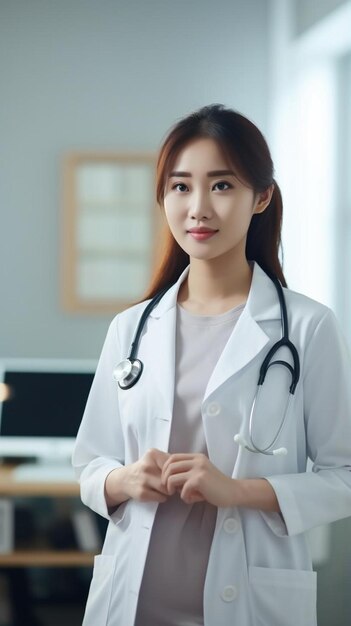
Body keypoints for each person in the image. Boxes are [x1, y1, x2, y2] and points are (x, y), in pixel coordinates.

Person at [72, 104, 351, 626]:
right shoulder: (131, 328)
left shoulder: (308, 328)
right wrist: (126, 479)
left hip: (248, 599)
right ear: (163, 198)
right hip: (133, 600)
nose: (198, 208)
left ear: (261, 197)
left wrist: (237, 491)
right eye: (180, 187)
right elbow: (90, 466)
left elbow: (345, 476)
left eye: (221, 186)